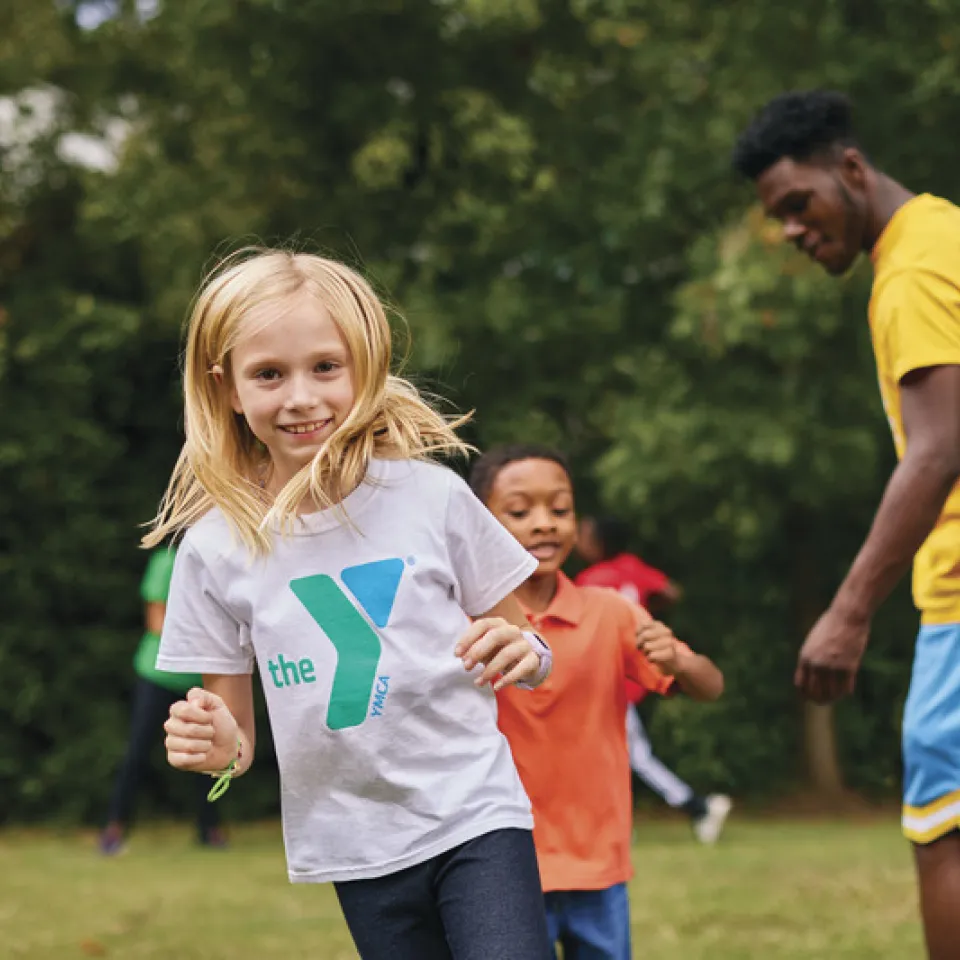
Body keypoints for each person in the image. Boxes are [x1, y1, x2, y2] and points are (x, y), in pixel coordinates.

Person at [145, 249, 555, 960]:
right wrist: (217, 748)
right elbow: (236, 742)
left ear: (363, 367)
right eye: (269, 374)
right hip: (354, 841)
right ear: (229, 389)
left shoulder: (431, 498)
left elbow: (531, 646)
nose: (301, 397)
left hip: (474, 812)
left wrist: (529, 653)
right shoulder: (214, 549)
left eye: (325, 367)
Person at [733, 90, 960, 960]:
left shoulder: (912, 272)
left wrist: (850, 609)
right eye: (777, 217)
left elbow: (938, 450)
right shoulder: (942, 230)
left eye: (799, 202)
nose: (793, 228)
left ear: (853, 169)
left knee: (942, 827)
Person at [469, 443, 724, 960]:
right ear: (477, 523)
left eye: (560, 509)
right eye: (520, 512)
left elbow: (710, 685)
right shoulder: (466, 619)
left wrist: (679, 662)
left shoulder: (610, 613)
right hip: (501, 863)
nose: (544, 524)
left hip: (599, 862)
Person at [576, 515, 732, 844]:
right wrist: (650, 609)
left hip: (609, 678)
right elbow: (671, 592)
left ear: (601, 541)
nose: (579, 540)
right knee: (619, 753)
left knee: (633, 755)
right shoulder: (633, 568)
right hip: (639, 675)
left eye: (586, 534)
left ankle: (697, 806)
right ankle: (618, 821)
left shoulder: (591, 581)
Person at [99, 545, 226, 855]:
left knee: (207, 754)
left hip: (198, 679)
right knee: (138, 752)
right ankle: (114, 829)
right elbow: (157, 623)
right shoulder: (166, 562)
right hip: (157, 676)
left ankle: (209, 831)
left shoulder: (220, 562)